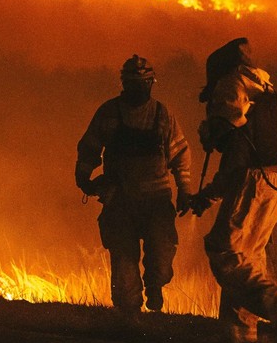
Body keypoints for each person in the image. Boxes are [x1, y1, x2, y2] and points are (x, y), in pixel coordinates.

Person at [188, 38, 277, 343]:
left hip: (254, 179)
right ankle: (239, 338)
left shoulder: (232, 84)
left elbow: (232, 142)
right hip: (276, 180)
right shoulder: (263, 92)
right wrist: (208, 197)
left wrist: (210, 132)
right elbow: (237, 160)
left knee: (224, 249)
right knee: (248, 255)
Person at [75, 54, 193, 316]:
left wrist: (184, 190)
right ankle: (130, 324)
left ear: (152, 83)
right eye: (133, 83)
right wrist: (84, 178)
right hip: (121, 201)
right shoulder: (108, 113)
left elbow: (180, 155)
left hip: (157, 201)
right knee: (124, 267)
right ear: (124, 84)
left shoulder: (163, 115)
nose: (138, 88)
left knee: (161, 261)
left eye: (144, 83)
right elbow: (90, 147)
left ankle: (155, 287)